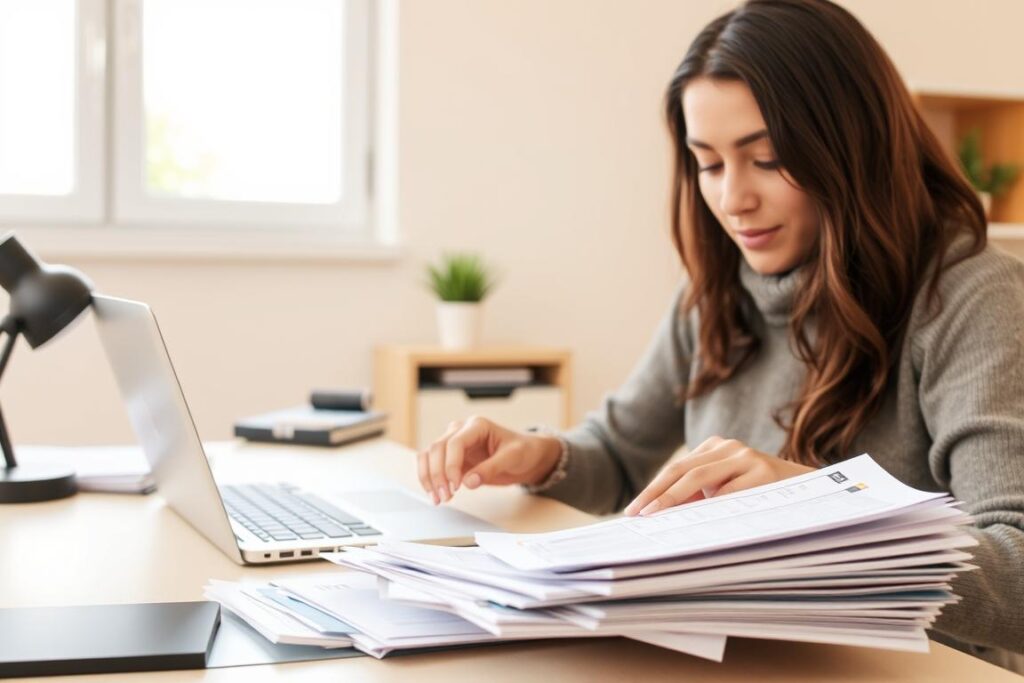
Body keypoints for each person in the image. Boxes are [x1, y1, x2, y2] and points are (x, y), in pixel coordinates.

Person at [415, 0, 1024, 671]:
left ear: (853, 148)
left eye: (767, 158)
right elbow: (620, 456)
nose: (734, 198)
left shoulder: (974, 296)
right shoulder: (715, 294)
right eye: (708, 164)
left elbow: (1017, 571)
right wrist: (534, 454)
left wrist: (813, 509)